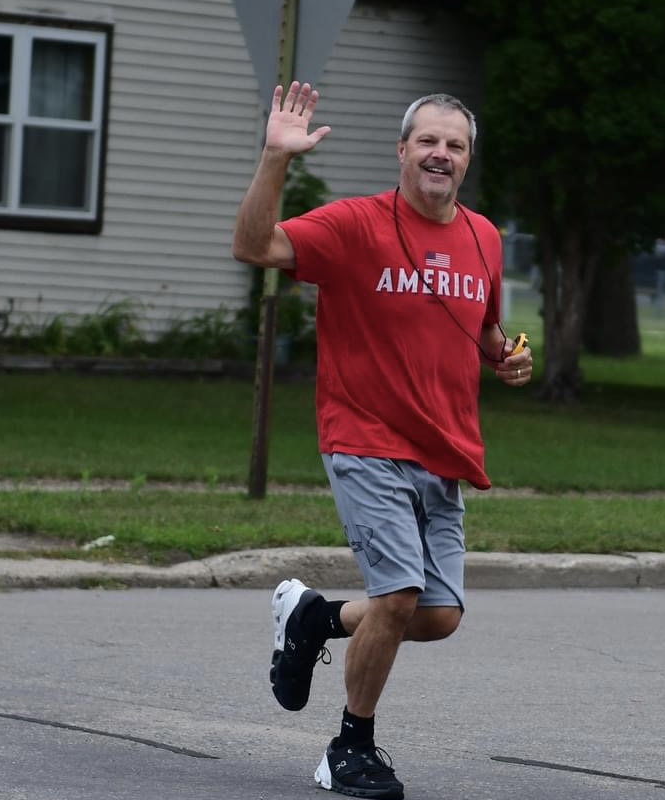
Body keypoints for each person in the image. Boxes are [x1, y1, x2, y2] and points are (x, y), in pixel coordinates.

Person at [231, 81, 533, 800]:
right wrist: (275, 156)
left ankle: (314, 618)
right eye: (427, 141)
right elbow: (253, 245)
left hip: (445, 450)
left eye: (454, 145)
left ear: (466, 160)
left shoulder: (484, 237)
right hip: (364, 438)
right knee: (397, 597)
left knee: (436, 614)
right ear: (401, 151)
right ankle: (348, 749)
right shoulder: (353, 227)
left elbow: (481, 327)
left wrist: (505, 357)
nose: (440, 154)